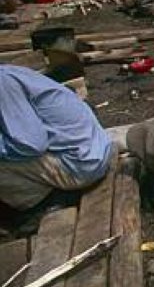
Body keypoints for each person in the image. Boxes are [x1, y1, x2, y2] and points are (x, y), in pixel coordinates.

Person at [0, 65, 115, 210]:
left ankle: (41, 205)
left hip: (82, 164)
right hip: (98, 151)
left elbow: (31, 145)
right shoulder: (10, 72)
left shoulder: (3, 83)